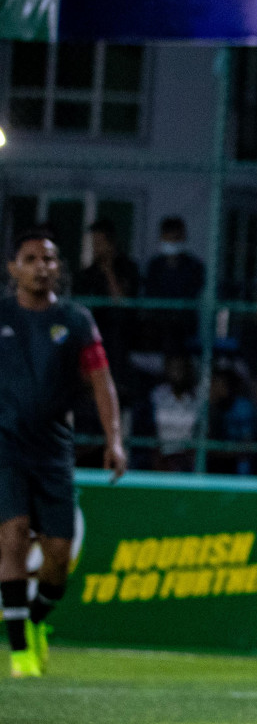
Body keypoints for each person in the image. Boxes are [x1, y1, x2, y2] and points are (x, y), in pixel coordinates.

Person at [1, 229, 127, 678]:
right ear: (14, 268)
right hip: (6, 447)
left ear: (59, 268)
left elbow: (101, 381)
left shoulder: (76, 320)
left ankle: (34, 622)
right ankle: (19, 653)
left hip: (54, 451)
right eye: (31, 258)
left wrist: (114, 440)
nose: (41, 266)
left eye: (50, 259)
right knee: (12, 537)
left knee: (58, 555)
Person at [73, 219, 142, 387]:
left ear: (111, 243)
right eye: (94, 242)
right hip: (95, 333)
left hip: (120, 336)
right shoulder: (88, 274)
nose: (96, 247)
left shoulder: (128, 268)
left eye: (100, 242)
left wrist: (108, 270)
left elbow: (121, 300)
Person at [142, 216, 206, 358]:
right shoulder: (155, 265)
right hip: (156, 323)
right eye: (168, 238)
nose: (171, 242)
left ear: (183, 238)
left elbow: (192, 292)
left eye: (175, 238)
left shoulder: (194, 266)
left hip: (183, 324)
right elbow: (150, 293)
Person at [148, 353, 199, 472]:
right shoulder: (157, 395)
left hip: (187, 461)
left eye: (180, 369)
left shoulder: (197, 398)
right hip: (161, 459)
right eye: (173, 368)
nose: (177, 373)